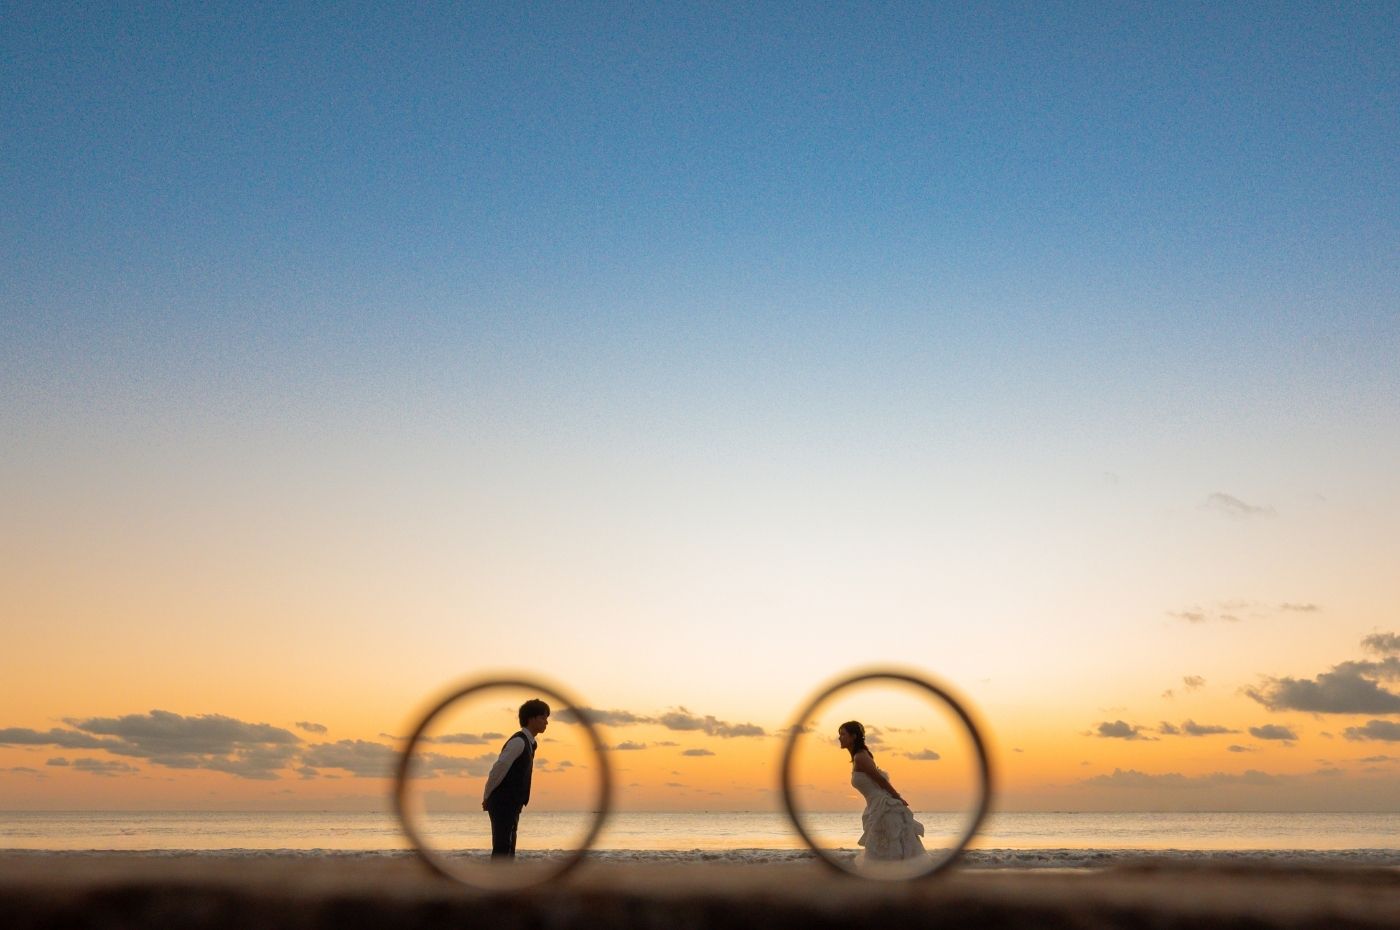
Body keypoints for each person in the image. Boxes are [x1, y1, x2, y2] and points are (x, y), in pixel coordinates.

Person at [838, 720, 926, 862]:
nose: (839, 738)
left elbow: (880, 780)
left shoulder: (860, 757)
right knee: (882, 846)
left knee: (888, 846)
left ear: (853, 736)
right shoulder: (858, 757)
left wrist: (897, 798)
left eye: (843, 734)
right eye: (840, 734)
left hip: (883, 806)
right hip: (875, 805)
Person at [482, 698, 550, 859]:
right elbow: (498, 769)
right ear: (531, 718)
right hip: (503, 801)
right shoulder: (519, 742)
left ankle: (506, 875)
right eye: (543, 718)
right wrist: (487, 796)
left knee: (508, 847)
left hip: (512, 803)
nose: (546, 722)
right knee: (502, 847)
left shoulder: (530, 743)